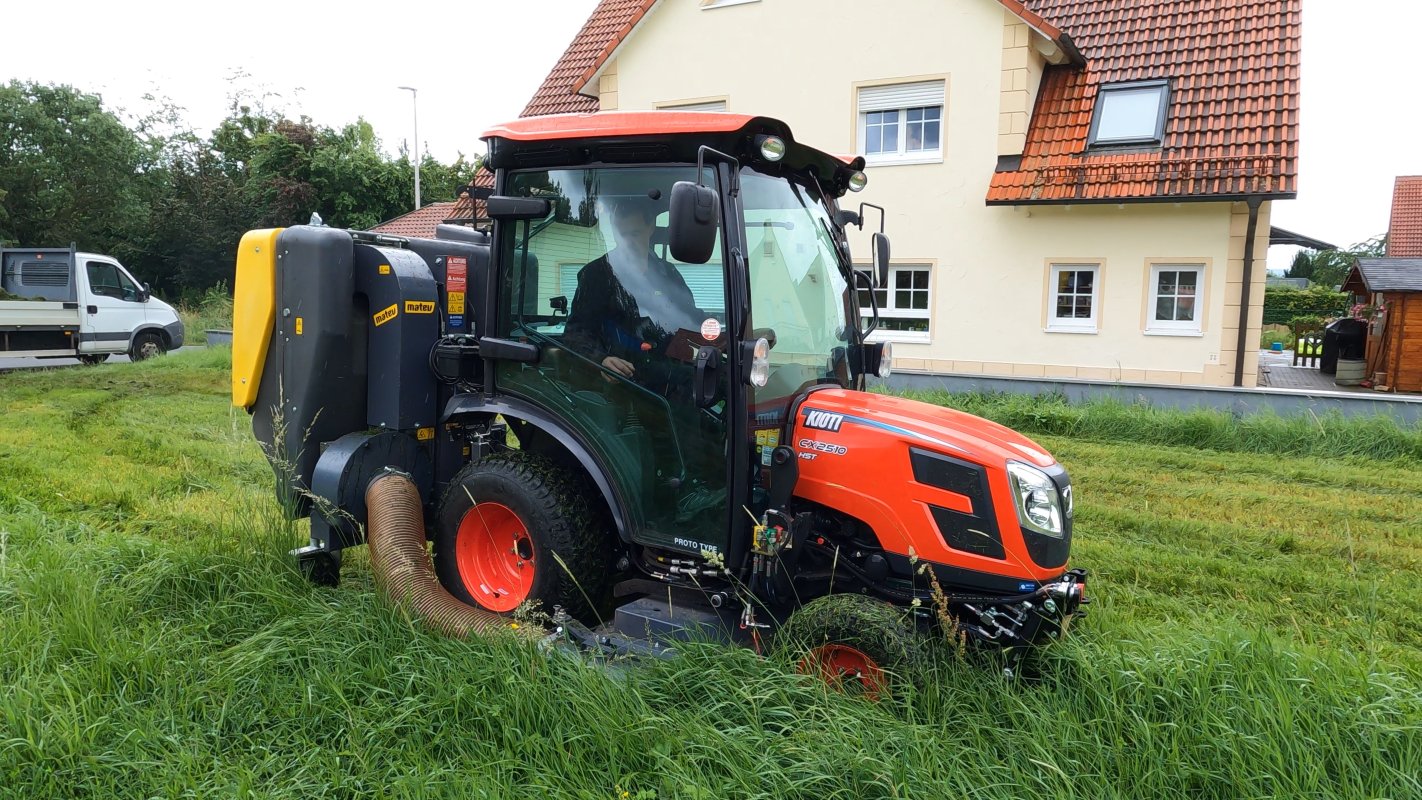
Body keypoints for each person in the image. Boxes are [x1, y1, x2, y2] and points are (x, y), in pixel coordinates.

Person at [563, 198, 709, 393]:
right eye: (623, 235)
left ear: (651, 228)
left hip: (668, 380)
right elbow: (576, 333)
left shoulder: (668, 274)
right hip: (620, 383)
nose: (629, 242)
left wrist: (721, 336)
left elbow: (689, 317)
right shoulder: (596, 275)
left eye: (635, 233)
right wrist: (601, 360)